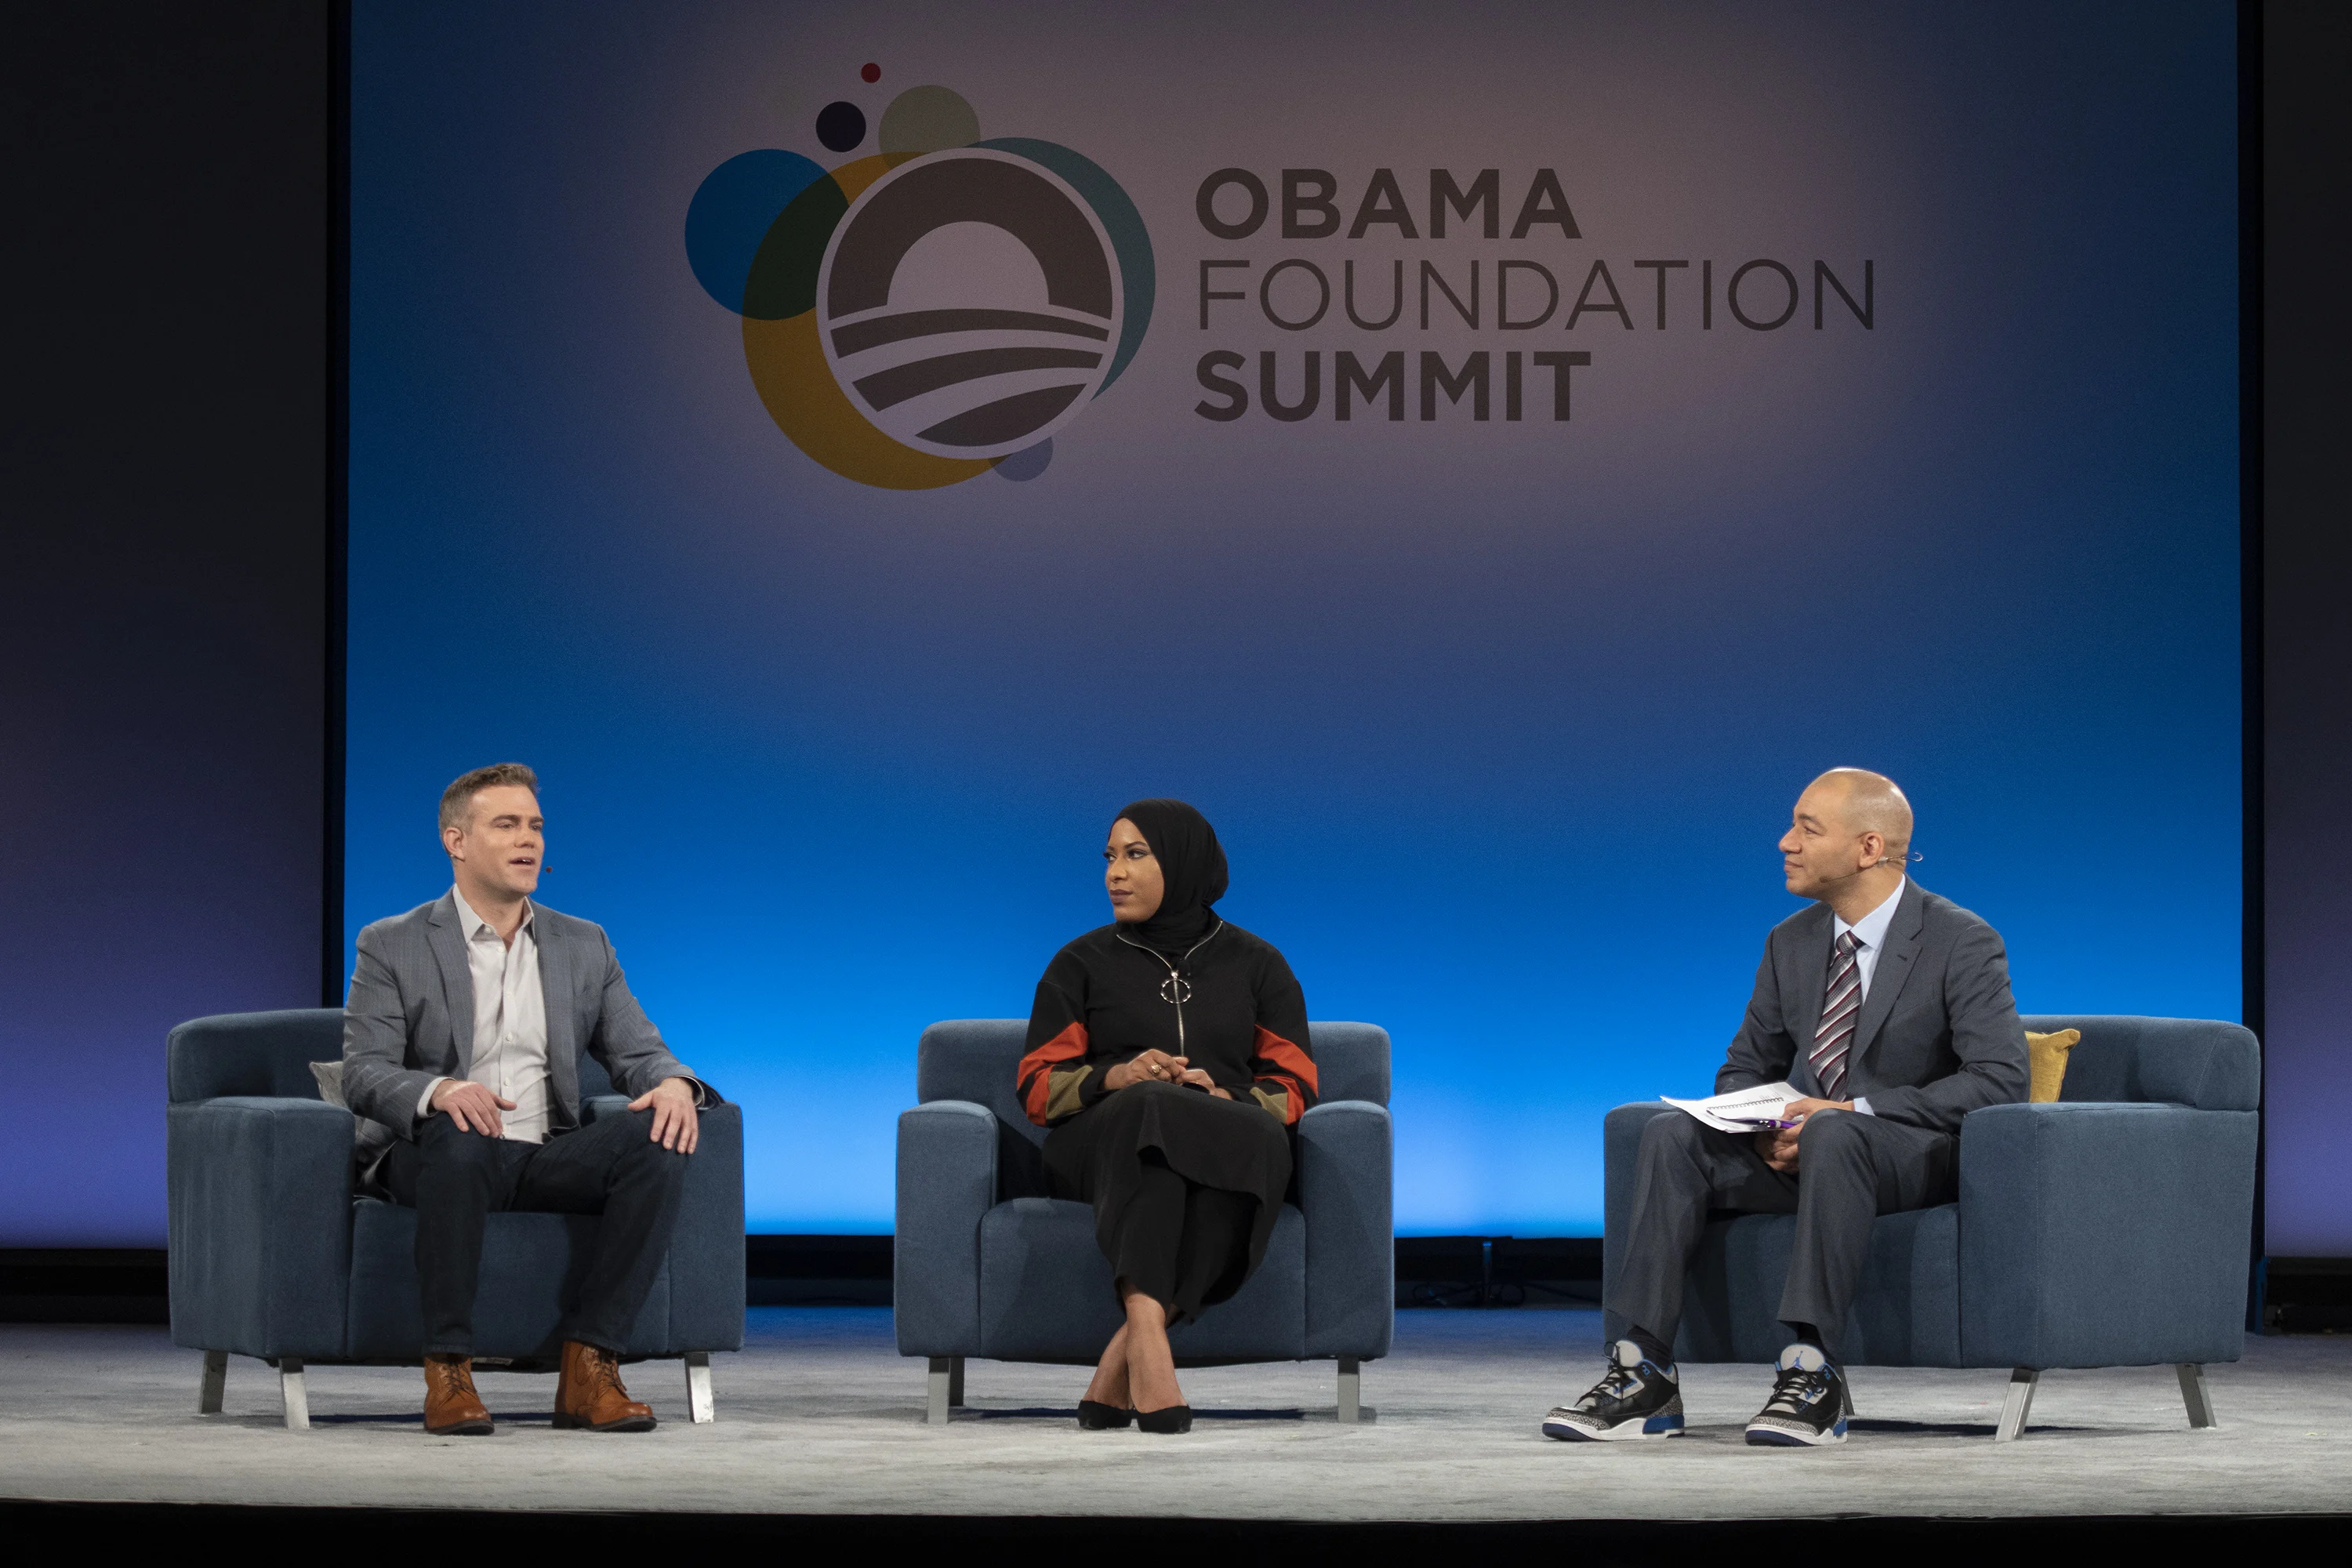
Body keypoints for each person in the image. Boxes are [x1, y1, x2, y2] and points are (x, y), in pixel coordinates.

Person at [1544, 768, 2027, 1447]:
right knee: (1669, 1137)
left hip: (1907, 1157)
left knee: (1834, 1136)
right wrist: (1763, 1122)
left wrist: (1847, 1111)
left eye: (1807, 828)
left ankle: (1813, 1372)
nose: (1785, 842)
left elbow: (2001, 1080)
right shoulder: (1791, 941)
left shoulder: (1960, 940)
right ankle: (1645, 1372)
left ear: (1867, 847)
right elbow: (1746, 1065)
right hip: (1805, 1150)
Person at [342, 763, 717, 1436]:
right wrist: (441, 1090)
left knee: (656, 1135)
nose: (529, 841)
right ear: (457, 842)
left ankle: (591, 1367)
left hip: (543, 1153)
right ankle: (449, 1371)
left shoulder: (583, 942)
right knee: (461, 1129)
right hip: (435, 1151)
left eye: (536, 826)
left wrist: (673, 1084)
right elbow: (363, 1072)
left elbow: (639, 1051)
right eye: (507, 825)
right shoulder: (392, 942)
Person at [1017, 800, 1317, 1435]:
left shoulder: (1257, 964)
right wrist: (1115, 1076)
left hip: (1218, 1137)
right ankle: (1152, 1346)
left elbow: (1296, 1084)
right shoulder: (1080, 963)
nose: (1114, 874)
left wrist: (1226, 1098)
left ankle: (1129, 1349)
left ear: (1182, 862)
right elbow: (1037, 1088)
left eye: (1135, 855)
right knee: (1151, 1109)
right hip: (1099, 1145)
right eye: (1109, 858)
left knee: (1252, 1141)